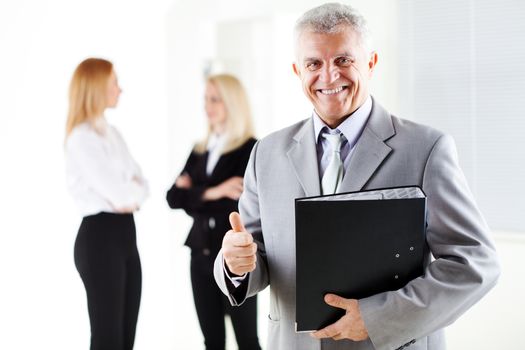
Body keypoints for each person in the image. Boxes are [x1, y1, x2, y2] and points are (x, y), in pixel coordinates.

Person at [214, 3, 500, 350]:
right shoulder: (266, 154)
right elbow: (254, 253)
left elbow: (474, 262)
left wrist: (379, 316)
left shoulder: (426, 149)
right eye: (314, 64)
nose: (329, 76)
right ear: (297, 70)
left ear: (371, 62)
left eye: (343, 60)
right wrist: (235, 263)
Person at [166, 74, 261, 350]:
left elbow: (238, 203)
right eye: (205, 99)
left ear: (232, 103)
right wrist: (216, 190)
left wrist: (194, 191)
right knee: (212, 341)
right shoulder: (200, 150)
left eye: (215, 99)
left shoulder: (250, 149)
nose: (207, 106)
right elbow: (173, 197)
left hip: (234, 259)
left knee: (247, 340)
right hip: (199, 255)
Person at [64, 58, 148, 350]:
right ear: (97, 87)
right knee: (107, 338)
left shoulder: (112, 134)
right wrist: (129, 194)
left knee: (126, 338)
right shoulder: (81, 138)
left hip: (125, 236)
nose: (120, 89)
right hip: (99, 239)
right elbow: (124, 195)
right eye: (114, 83)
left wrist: (130, 194)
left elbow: (142, 187)